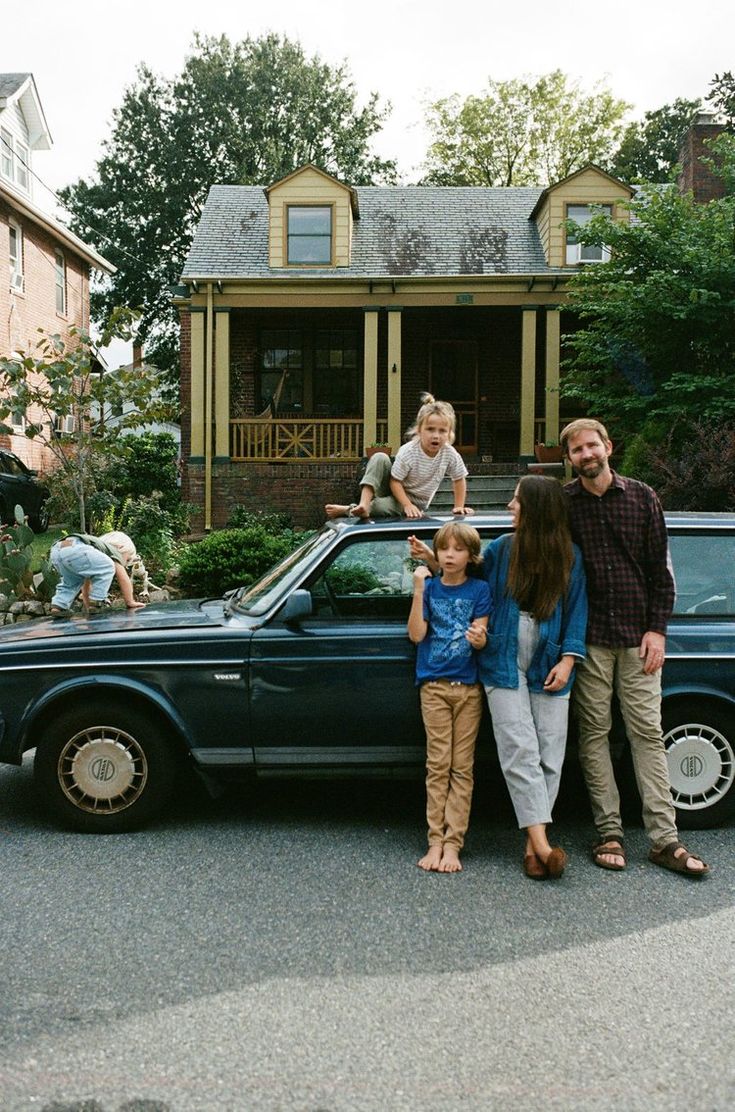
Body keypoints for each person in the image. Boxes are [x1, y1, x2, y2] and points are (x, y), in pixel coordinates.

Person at [560, 418, 709, 877]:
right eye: (576, 450)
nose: (586, 455)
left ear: (608, 446)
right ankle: (609, 832)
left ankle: (665, 840)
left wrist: (657, 630)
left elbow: (661, 572)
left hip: (638, 638)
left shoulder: (643, 497)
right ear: (568, 459)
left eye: (591, 446)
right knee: (594, 735)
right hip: (588, 640)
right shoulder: (564, 504)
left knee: (647, 733)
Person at [478, 476, 587, 880]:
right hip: (502, 654)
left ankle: (531, 844)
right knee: (517, 746)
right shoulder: (503, 548)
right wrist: (435, 559)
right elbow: (470, 574)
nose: (510, 505)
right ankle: (543, 845)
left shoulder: (570, 556)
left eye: (517, 500)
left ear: (537, 508)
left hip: (552, 656)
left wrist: (570, 660)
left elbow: (578, 611)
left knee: (551, 751)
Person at [407, 521, 491, 873]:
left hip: (468, 690)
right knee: (437, 766)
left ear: (471, 557)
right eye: (444, 549)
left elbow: (482, 633)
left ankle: (454, 844)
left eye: (458, 550)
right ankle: (435, 841)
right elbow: (416, 635)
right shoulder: (430, 591)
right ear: (437, 554)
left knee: (462, 768)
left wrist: (479, 639)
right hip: (434, 688)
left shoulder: (480, 590)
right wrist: (417, 588)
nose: (450, 555)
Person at [326, 393, 472, 520]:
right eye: (430, 429)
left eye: (442, 431)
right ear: (419, 430)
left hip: (414, 501)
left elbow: (459, 479)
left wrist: (459, 506)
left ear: (449, 434)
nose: (436, 435)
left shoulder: (449, 453)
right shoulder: (409, 451)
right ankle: (363, 503)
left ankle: (349, 510)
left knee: (379, 507)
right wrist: (406, 505)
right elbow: (395, 481)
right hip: (395, 488)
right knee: (379, 457)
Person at [49, 532, 147, 619]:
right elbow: (123, 579)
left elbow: (86, 584)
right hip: (76, 548)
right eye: (127, 559)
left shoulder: (95, 552)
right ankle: (98, 601)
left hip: (56, 551)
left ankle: (59, 606)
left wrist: (88, 607)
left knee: (72, 581)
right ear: (121, 547)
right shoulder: (113, 551)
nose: (125, 563)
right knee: (108, 567)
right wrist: (130, 602)